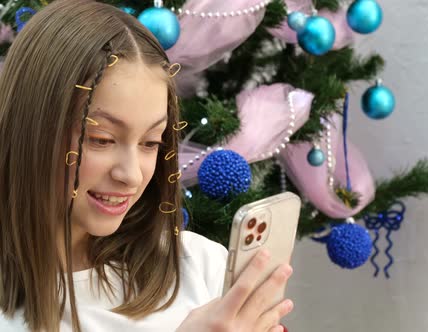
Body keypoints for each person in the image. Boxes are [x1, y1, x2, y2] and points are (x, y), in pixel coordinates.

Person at [0, 1, 293, 331]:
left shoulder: (204, 267)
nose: (131, 175)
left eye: (151, 142)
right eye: (102, 139)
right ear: (32, 127)